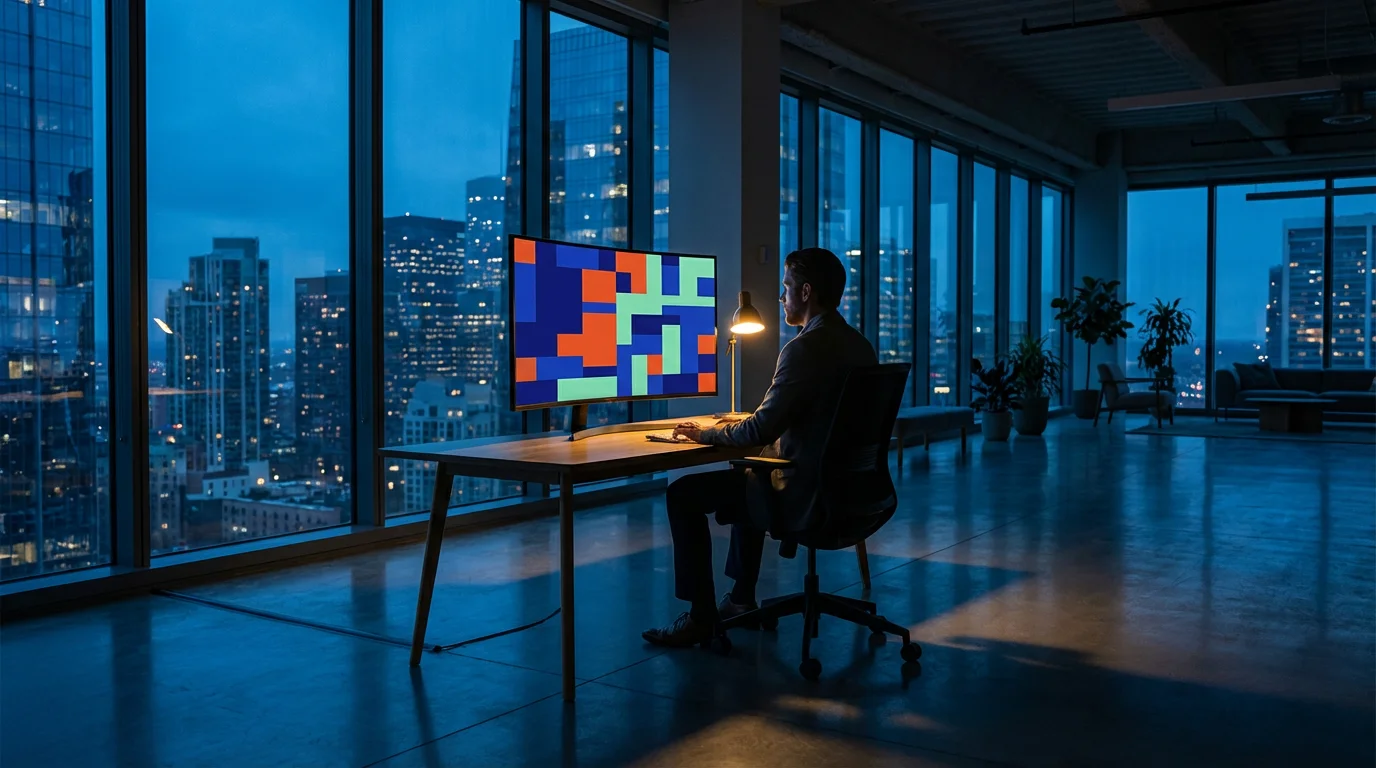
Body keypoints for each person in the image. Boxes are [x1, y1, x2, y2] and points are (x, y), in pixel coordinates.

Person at [642, 247, 878, 648]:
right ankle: (740, 600)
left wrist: (705, 434)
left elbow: (758, 431)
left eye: (786, 287)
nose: (781, 296)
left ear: (806, 291)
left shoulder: (804, 349)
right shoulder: (860, 346)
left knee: (683, 494)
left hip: (805, 494)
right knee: (751, 472)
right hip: (853, 492)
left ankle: (701, 617)